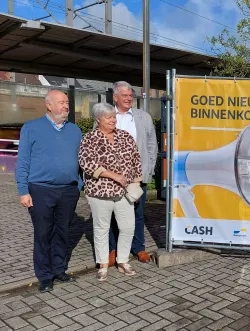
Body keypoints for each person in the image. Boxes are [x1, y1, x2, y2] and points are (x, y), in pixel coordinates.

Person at [15, 89, 82, 293]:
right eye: (61, 102)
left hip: (68, 191)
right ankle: (44, 276)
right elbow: (23, 161)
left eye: (67, 102)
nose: (66, 106)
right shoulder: (31, 128)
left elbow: (81, 161)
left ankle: (59, 270)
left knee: (62, 233)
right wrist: (23, 190)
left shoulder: (75, 130)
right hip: (40, 190)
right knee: (43, 234)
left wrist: (78, 185)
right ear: (49, 105)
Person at [95, 81, 157, 266]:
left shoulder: (143, 117)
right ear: (115, 97)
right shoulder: (106, 116)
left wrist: (149, 169)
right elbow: (96, 145)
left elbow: (152, 145)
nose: (129, 98)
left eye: (131, 95)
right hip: (112, 177)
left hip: (137, 176)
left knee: (137, 213)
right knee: (113, 214)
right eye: (125, 95)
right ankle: (112, 249)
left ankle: (138, 247)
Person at [79, 102, 143, 281]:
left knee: (128, 227)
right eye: (109, 117)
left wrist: (136, 185)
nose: (113, 120)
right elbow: (86, 163)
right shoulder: (89, 139)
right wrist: (113, 175)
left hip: (124, 192)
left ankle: (122, 260)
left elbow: (136, 161)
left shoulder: (125, 136)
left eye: (114, 117)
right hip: (100, 192)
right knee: (101, 229)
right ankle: (103, 264)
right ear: (98, 119)